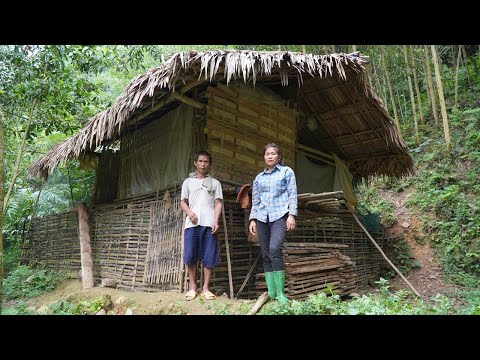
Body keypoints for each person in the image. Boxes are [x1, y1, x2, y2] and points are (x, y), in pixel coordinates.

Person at [249, 143, 298, 303]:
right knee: (264, 253)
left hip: (280, 215)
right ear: (264, 157)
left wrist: (291, 215)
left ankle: (281, 293)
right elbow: (255, 200)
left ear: (279, 156)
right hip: (262, 217)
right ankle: (272, 292)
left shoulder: (286, 172)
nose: (270, 156)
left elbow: (292, 194)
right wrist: (253, 219)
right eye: (267, 154)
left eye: (273, 154)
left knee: (274, 248)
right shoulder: (258, 178)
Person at [180, 150, 223, 301]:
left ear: (209, 165)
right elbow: (182, 202)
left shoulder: (215, 183)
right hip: (191, 225)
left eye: (206, 162)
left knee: (209, 256)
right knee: (191, 256)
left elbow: (218, 203)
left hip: (209, 224)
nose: (203, 164)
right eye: (200, 161)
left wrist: (216, 220)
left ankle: (205, 288)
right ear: (195, 163)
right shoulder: (188, 182)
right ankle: (193, 288)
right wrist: (189, 212)